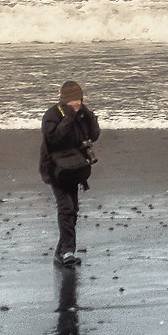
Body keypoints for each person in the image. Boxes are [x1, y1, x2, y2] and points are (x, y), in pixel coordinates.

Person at [39, 80, 100, 265]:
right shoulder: (52, 114)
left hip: (74, 168)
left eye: (80, 99)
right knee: (66, 208)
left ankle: (61, 251)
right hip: (55, 169)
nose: (78, 103)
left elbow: (94, 135)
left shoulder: (82, 113)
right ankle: (67, 252)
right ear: (65, 100)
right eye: (74, 100)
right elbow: (54, 140)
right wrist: (69, 117)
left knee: (73, 210)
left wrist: (89, 116)